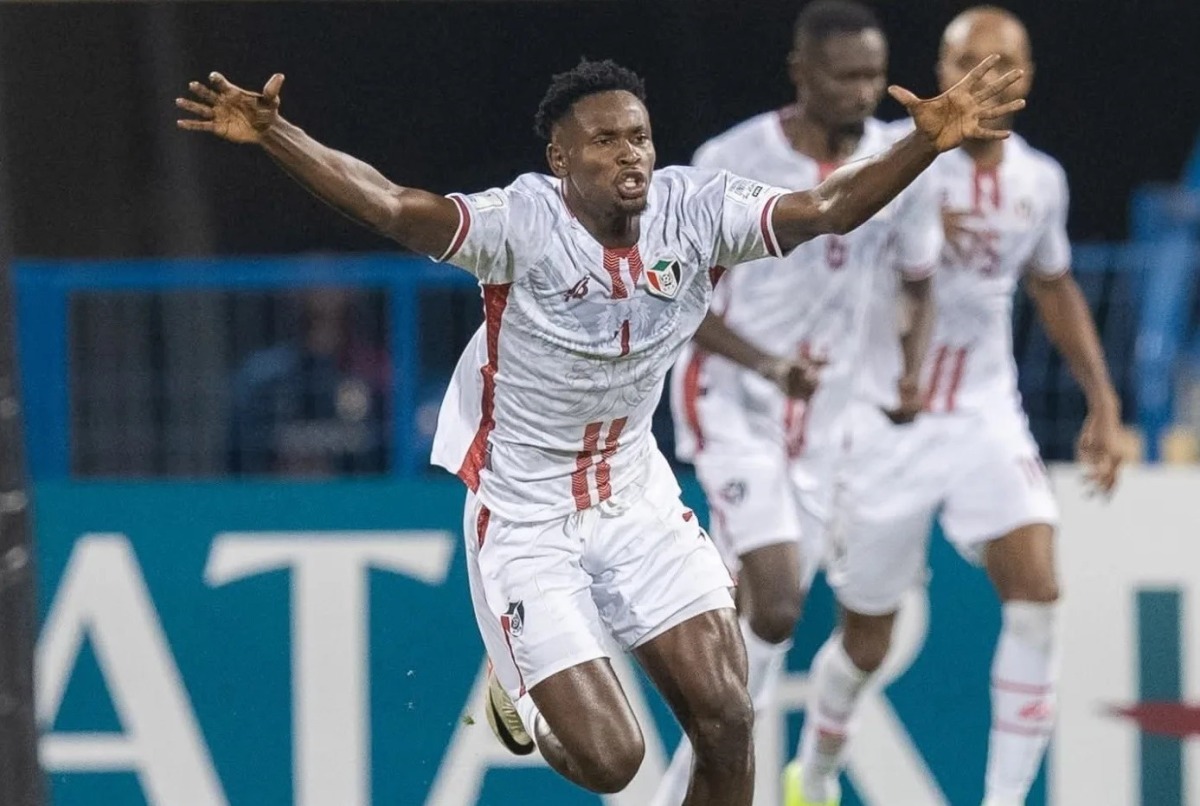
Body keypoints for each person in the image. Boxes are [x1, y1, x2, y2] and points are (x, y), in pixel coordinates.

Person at [176, 54, 1025, 804]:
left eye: (640, 137)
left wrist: (926, 142)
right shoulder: (522, 225)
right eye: (606, 141)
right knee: (614, 762)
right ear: (560, 159)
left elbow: (829, 208)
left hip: (635, 492)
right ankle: (532, 708)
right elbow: (397, 208)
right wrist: (279, 135)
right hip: (525, 513)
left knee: (729, 719)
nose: (631, 155)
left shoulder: (695, 209)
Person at [785, 8, 1123, 806]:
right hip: (880, 425)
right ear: (940, 72)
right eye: (968, 61)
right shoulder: (886, 162)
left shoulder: (1040, 181)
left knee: (1039, 593)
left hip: (982, 415)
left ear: (1028, 79)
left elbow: (1052, 282)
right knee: (866, 642)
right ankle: (817, 775)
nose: (985, 77)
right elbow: (817, 243)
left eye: (1001, 63)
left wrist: (1103, 404)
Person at [657, 2, 941, 803]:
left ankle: (685, 791)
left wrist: (911, 372)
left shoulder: (901, 160)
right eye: (846, 76)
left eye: (874, 75)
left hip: (829, 422)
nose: (865, 91)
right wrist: (768, 364)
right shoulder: (731, 159)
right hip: (733, 401)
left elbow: (921, 284)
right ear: (800, 74)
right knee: (776, 604)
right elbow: (679, 300)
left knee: (757, 626)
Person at [228, 287, 390, 476]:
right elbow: (247, 443)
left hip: (352, 490)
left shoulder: (371, 370)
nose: (324, 291)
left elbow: (378, 439)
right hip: (278, 492)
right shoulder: (266, 374)